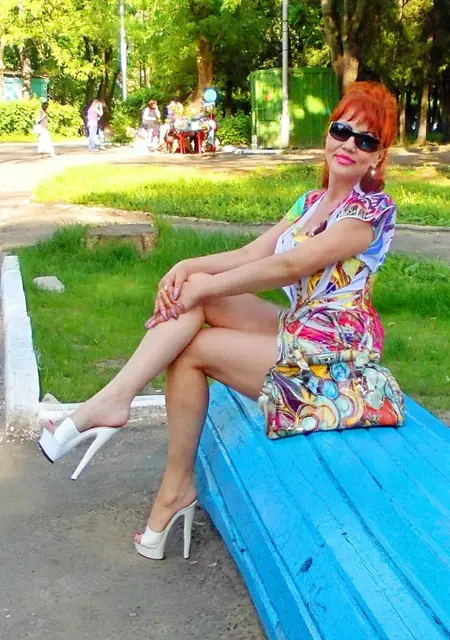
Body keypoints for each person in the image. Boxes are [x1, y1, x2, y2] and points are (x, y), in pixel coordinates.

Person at [38, 81, 404, 561]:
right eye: (342, 130)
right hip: (299, 328)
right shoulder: (310, 202)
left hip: (336, 356)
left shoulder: (373, 211)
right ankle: (115, 399)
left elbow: (289, 265)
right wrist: (187, 267)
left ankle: (173, 488)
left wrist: (205, 286)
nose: (349, 144)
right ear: (328, 133)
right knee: (192, 295)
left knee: (192, 350)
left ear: (379, 156)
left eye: (366, 139)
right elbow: (253, 254)